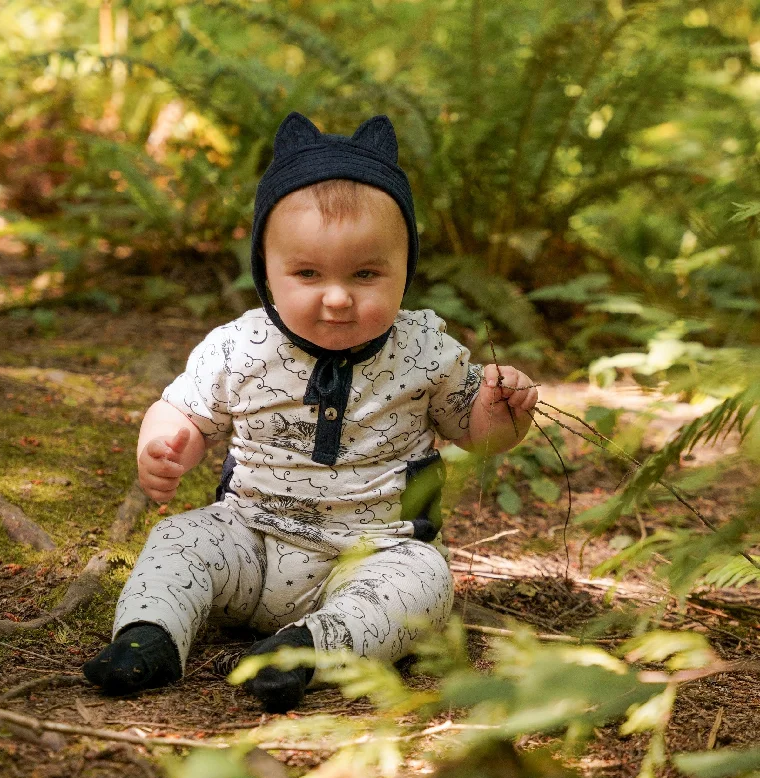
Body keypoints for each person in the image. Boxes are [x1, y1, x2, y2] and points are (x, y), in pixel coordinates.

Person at [83, 112, 538, 711]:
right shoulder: (239, 347)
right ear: (266, 272)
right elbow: (185, 414)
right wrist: (166, 444)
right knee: (179, 537)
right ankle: (150, 638)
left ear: (406, 271)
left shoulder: (429, 352)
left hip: (373, 554)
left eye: (367, 274)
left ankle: (303, 651)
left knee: (425, 583)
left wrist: (503, 409)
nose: (338, 296)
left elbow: (478, 434)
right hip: (251, 540)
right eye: (306, 274)